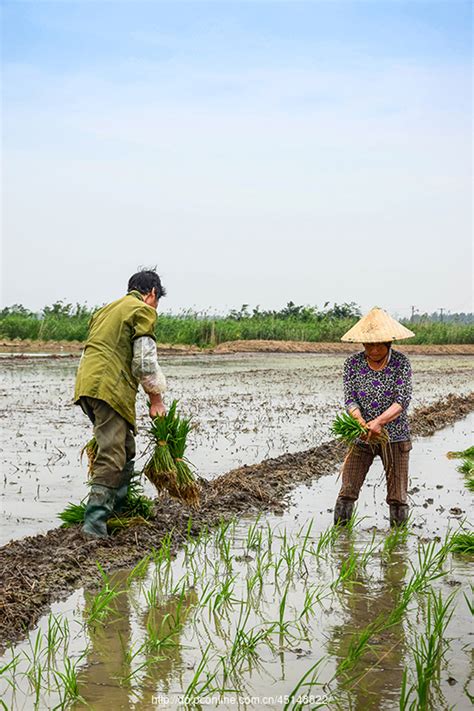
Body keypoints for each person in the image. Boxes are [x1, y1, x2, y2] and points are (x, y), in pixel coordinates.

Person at [74, 269, 167, 537]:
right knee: (113, 454)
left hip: (87, 385)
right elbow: (144, 362)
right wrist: (156, 400)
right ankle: (94, 525)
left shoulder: (106, 310)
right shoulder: (142, 310)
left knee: (125, 448)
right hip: (108, 388)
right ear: (151, 294)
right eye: (157, 300)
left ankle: (119, 510)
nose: (156, 306)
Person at [333, 307, 415, 527]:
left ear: (388, 343)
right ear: (363, 343)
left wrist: (379, 422)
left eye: (379, 344)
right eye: (369, 344)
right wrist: (360, 421)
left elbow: (402, 400)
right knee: (348, 489)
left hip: (394, 437)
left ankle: (397, 543)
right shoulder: (353, 364)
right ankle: (341, 538)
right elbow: (350, 398)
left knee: (397, 495)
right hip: (362, 436)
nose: (374, 349)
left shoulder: (401, 363)